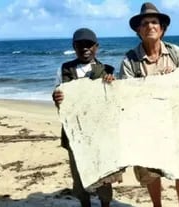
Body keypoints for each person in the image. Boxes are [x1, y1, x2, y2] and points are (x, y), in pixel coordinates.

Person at [119, 2, 179, 207]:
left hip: (176, 123)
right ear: (138, 30)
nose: (150, 26)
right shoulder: (130, 60)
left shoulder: (175, 52)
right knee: (150, 172)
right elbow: (126, 95)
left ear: (162, 28)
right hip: (146, 127)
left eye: (154, 22)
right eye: (145, 23)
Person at [52, 28, 122, 207]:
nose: (85, 48)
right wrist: (56, 98)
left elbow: (114, 103)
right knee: (80, 174)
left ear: (97, 47)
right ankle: (85, 204)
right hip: (75, 134)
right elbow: (59, 98)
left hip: (100, 133)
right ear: (74, 47)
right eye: (80, 45)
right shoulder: (64, 69)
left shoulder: (107, 70)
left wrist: (112, 85)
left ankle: (105, 203)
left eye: (89, 44)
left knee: (104, 174)